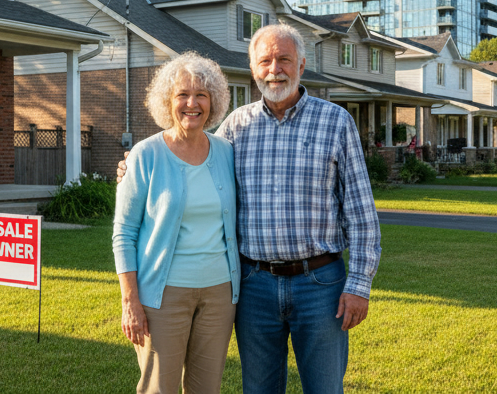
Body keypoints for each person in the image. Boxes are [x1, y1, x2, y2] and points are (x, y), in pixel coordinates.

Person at [118, 24, 380, 394]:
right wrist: (132, 165)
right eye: (266, 61)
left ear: (301, 64)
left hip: (319, 284)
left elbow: (361, 213)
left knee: (324, 388)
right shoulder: (236, 128)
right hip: (254, 286)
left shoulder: (336, 122)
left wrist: (359, 285)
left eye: (284, 59)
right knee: (258, 389)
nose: (275, 69)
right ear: (254, 69)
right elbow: (190, 152)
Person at [112, 52, 240, 394]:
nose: (192, 103)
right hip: (162, 295)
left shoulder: (226, 151)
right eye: (182, 94)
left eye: (201, 95)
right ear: (167, 101)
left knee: (206, 387)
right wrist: (130, 302)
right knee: (159, 387)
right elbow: (123, 233)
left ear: (213, 101)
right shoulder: (145, 154)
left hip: (219, 294)